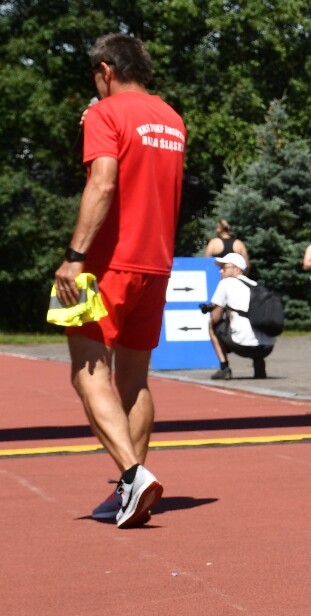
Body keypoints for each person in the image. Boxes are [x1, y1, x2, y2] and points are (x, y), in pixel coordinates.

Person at [53, 33, 186, 529]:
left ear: (105, 70)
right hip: (157, 262)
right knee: (134, 378)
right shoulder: (171, 118)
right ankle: (131, 491)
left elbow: (104, 181)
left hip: (107, 262)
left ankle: (132, 475)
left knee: (87, 371)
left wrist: (74, 257)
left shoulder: (105, 114)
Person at [205, 253, 275, 380]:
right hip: (267, 347)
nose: (221, 271)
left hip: (242, 345)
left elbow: (215, 317)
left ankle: (224, 368)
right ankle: (259, 364)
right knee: (253, 323)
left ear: (237, 269)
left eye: (224, 267)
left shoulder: (225, 283)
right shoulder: (255, 285)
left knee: (212, 325)